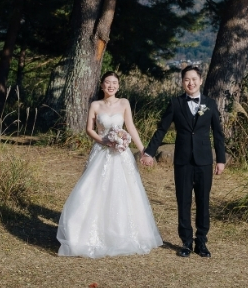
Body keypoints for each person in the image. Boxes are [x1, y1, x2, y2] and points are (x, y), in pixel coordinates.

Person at [57, 71, 163, 257]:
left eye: (114, 83)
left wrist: (143, 150)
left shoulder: (124, 103)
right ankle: (88, 232)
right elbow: (89, 129)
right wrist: (104, 141)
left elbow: (130, 127)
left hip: (121, 155)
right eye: (107, 83)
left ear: (118, 86)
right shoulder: (95, 105)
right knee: (94, 189)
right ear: (102, 85)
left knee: (123, 191)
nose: (111, 86)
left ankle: (120, 233)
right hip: (102, 151)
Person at [140, 65, 226, 257]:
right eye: (187, 79)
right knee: (183, 201)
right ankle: (186, 241)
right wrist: (149, 153)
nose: (190, 83)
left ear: (201, 80)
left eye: (194, 79)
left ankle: (201, 241)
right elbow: (161, 129)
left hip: (204, 161)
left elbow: (218, 135)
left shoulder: (210, 104)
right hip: (183, 161)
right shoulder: (175, 103)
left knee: (203, 201)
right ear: (182, 82)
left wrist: (221, 159)